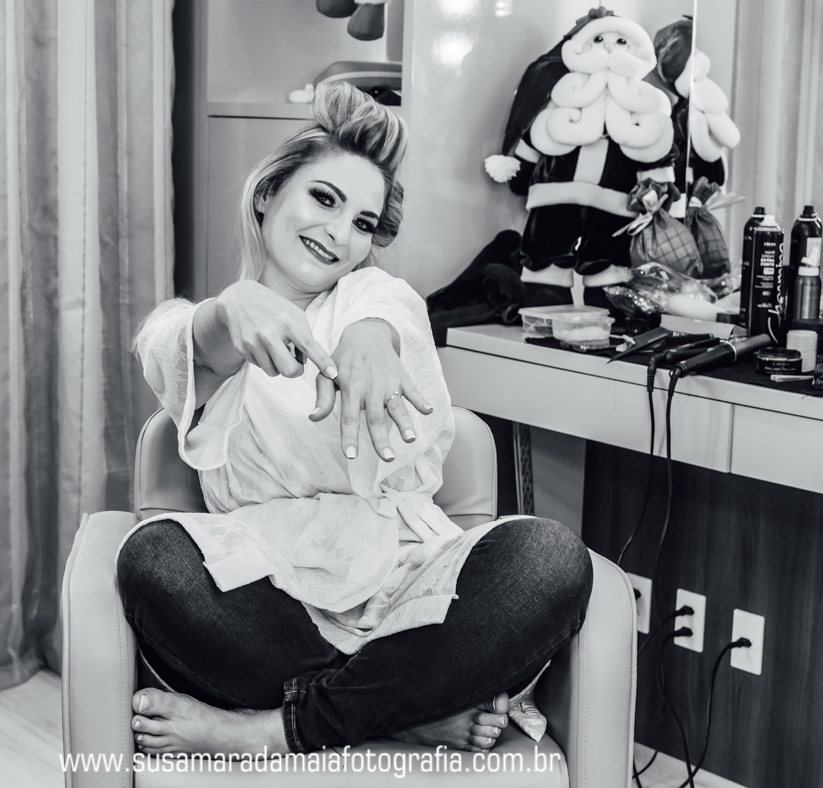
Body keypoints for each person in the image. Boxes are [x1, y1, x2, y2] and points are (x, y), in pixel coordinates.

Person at [120, 82, 592, 757]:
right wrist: (231, 309)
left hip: (406, 591)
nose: (340, 234)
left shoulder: (373, 295)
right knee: (153, 556)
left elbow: (386, 310)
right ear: (267, 194)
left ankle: (276, 729)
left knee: (550, 558)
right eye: (324, 198)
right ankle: (399, 712)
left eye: (364, 223)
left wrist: (369, 335)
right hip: (273, 604)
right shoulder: (206, 328)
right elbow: (175, 343)